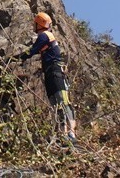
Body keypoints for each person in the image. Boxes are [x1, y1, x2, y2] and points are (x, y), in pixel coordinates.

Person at [16, 12, 77, 141]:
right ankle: (64, 133)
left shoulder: (45, 35)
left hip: (55, 72)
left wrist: (20, 57)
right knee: (56, 103)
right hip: (51, 72)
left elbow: (33, 50)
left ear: (39, 24)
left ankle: (69, 133)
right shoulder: (47, 36)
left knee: (62, 101)